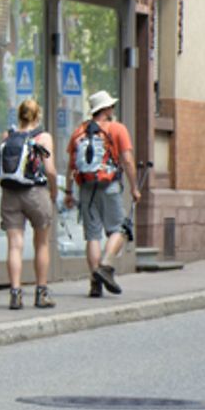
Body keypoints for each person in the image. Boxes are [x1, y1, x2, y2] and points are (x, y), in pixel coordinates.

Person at [62, 90, 141, 298]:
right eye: (111, 107)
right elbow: (128, 161)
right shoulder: (117, 129)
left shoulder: (79, 132)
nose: (113, 110)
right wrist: (134, 187)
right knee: (120, 229)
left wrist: (69, 192)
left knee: (92, 236)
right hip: (109, 185)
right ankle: (105, 265)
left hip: (86, 187)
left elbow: (71, 165)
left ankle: (94, 283)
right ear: (105, 109)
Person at [0, 97, 58, 310]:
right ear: (37, 114)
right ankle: (41, 293)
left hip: (10, 193)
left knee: (14, 245)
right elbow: (49, 169)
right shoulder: (43, 137)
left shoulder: (7, 136)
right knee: (41, 243)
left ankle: (15, 293)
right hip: (35, 192)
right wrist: (54, 191)